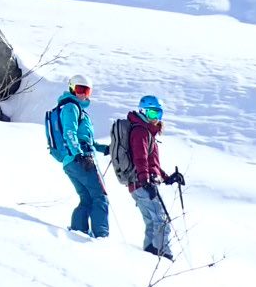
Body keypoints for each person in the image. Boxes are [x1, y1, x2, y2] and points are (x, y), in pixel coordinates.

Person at [45, 75, 110, 238]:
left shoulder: (74, 109)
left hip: (71, 161)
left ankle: (77, 231)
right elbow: (69, 132)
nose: (82, 94)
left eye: (86, 91)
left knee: (87, 198)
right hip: (79, 160)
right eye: (79, 90)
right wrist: (80, 155)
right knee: (100, 197)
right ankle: (101, 237)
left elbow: (86, 139)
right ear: (72, 89)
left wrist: (104, 148)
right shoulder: (71, 107)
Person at [123, 94, 184, 260]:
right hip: (142, 183)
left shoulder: (145, 132)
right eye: (151, 114)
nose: (155, 118)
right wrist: (145, 181)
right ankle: (164, 256)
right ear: (142, 111)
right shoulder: (141, 132)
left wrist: (167, 177)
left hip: (139, 183)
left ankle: (150, 253)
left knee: (152, 220)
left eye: (158, 114)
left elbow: (151, 163)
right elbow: (140, 158)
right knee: (162, 221)